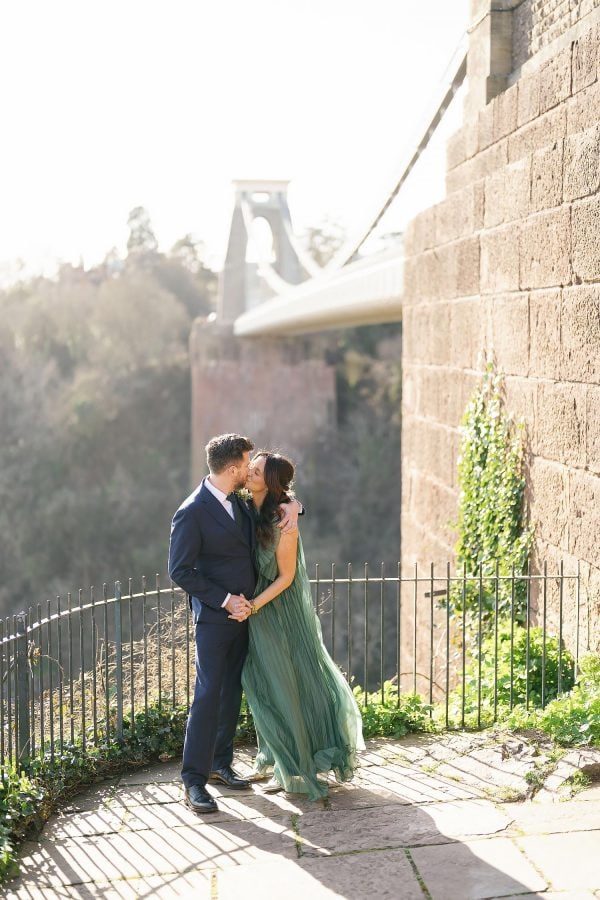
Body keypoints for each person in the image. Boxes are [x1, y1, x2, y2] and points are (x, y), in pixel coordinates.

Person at [168, 433, 301, 814]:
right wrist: (225, 600)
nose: (250, 469)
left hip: (246, 616)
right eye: (246, 463)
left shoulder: (239, 503)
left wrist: (295, 504)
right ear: (232, 468)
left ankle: (219, 764)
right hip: (214, 617)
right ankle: (193, 780)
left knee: (230, 691)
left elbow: (273, 500)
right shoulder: (192, 511)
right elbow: (180, 570)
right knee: (208, 693)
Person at [229, 451, 364, 801]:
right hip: (253, 610)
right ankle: (275, 758)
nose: (249, 473)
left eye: (256, 471)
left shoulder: (283, 521)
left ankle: (295, 765)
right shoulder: (247, 503)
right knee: (261, 686)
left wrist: (254, 606)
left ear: (270, 482)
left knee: (285, 685)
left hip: (276, 611)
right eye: (251, 468)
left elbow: (287, 578)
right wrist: (296, 503)